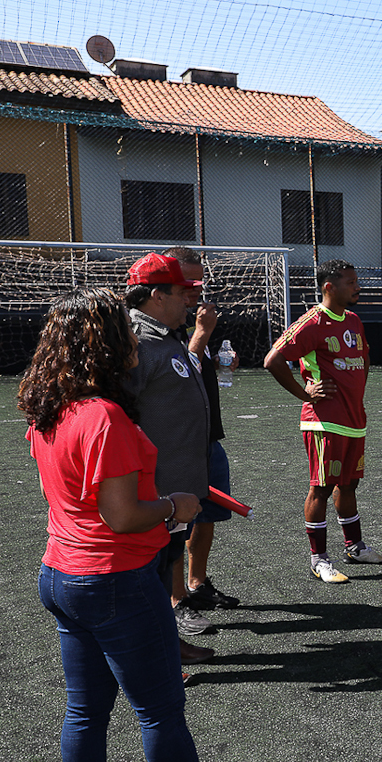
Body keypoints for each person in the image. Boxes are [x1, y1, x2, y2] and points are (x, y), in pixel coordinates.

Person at [19, 288, 269, 762]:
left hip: (62, 573)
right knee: (159, 709)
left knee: (84, 712)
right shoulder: (102, 415)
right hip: (114, 579)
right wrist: (174, 506)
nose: (134, 339)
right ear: (103, 344)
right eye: (123, 332)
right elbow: (122, 515)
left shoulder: (49, 410)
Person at [264, 260, 382, 584]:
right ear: (329, 287)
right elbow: (273, 359)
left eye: (356, 280)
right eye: (350, 282)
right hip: (324, 422)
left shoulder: (354, 320)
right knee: (321, 488)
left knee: (349, 485)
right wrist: (304, 394)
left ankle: (355, 546)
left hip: (353, 420)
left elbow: (364, 358)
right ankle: (319, 559)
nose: (357, 287)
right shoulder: (312, 322)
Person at [122, 253, 216, 668]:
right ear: (157, 296)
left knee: (166, 563)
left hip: (177, 486)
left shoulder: (166, 335)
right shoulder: (135, 344)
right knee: (147, 575)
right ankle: (155, 658)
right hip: (155, 491)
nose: (189, 302)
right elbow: (117, 418)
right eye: (182, 293)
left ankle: (168, 643)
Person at [166, 247, 243, 614]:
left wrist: (216, 360)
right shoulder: (161, 323)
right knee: (177, 523)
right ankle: (177, 598)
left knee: (208, 514)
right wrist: (202, 334)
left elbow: (196, 368)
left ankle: (197, 583)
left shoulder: (183, 317)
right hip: (179, 446)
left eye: (199, 280)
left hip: (208, 438)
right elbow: (177, 374)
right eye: (188, 281)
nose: (196, 288)